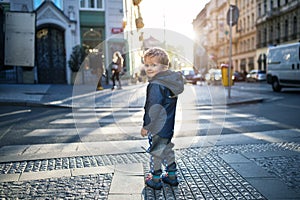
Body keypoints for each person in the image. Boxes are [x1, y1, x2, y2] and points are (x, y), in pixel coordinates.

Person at [140, 47, 184, 190]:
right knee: (167, 149)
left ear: (164, 67)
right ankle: (172, 176)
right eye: (147, 65)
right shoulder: (170, 83)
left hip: (156, 126)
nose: (149, 68)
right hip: (167, 126)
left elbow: (153, 107)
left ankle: (155, 178)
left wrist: (146, 126)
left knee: (156, 152)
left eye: (154, 65)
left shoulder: (156, 84)